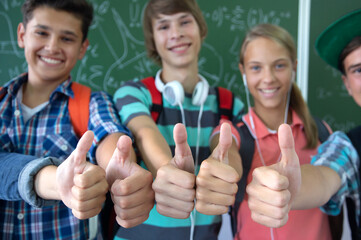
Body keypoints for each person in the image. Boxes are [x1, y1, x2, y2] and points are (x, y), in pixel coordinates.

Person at [0, 0, 153, 239]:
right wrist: (52, 179)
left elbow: (108, 134)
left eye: (67, 38)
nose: (52, 47)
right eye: (42, 33)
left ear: (83, 48)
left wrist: (121, 169)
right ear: (22, 35)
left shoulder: (92, 102)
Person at [113, 0, 244, 239]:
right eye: (163, 26)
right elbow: (144, 132)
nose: (176, 33)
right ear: (153, 40)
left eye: (185, 21)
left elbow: (229, 146)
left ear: (201, 29)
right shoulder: (134, 93)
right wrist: (167, 171)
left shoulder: (229, 103)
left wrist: (227, 170)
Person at [246, 8, 361, 240]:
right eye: (359, 69)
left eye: (279, 65)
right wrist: (291, 187)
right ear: (347, 84)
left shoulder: (319, 129)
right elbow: (325, 176)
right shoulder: (349, 148)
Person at [230, 23, 333, 240]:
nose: (268, 78)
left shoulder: (321, 132)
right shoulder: (234, 135)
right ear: (243, 72)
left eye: (279, 66)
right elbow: (223, 154)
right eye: (256, 67)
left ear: (294, 67)